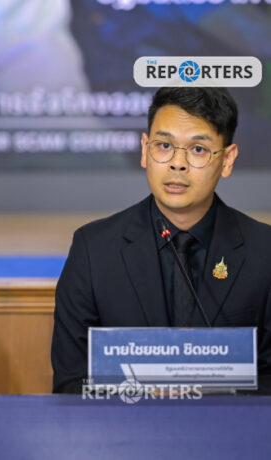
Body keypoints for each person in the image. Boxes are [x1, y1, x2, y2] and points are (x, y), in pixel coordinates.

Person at [52, 87, 271, 393]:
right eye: (164, 145)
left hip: (233, 423)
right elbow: (72, 383)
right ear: (145, 150)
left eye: (198, 149)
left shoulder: (264, 252)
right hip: (125, 421)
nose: (177, 163)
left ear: (227, 160)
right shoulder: (94, 250)